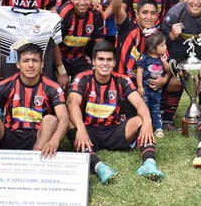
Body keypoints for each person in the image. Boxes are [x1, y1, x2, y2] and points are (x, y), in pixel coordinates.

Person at [67, 41, 165, 184]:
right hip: (89, 132)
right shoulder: (82, 78)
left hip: (113, 131)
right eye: (101, 59)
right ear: (93, 62)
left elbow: (139, 103)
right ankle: (98, 166)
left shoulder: (122, 80)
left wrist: (148, 122)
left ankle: (149, 164)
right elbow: (72, 102)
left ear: (114, 63)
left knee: (141, 120)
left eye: (109, 60)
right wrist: (81, 129)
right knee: (70, 122)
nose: (105, 63)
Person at [0, 43, 68, 156]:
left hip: (38, 136)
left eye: (35, 60)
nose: (31, 65)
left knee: (50, 120)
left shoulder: (53, 88)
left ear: (42, 64)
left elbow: (64, 118)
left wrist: (55, 140)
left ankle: (37, 160)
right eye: (26, 61)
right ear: (18, 64)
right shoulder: (6, 85)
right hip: (11, 135)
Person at [59, 0, 106, 79]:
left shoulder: (97, 14)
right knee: (60, 87)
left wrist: (96, 64)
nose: (82, 2)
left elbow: (99, 44)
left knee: (89, 81)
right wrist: (61, 71)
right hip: (60, 57)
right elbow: (54, 45)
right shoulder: (65, 13)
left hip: (80, 57)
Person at [136, 32, 169, 138]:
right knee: (144, 108)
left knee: (156, 108)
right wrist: (140, 87)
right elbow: (139, 72)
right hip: (145, 88)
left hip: (157, 90)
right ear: (153, 48)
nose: (165, 47)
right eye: (162, 45)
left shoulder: (162, 57)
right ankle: (144, 126)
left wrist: (164, 62)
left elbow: (169, 70)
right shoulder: (144, 58)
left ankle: (158, 127)